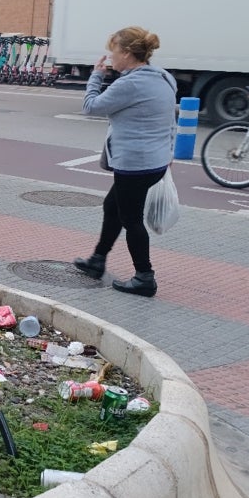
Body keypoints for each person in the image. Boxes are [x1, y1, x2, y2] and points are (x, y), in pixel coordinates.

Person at [73, 26, 176, 297]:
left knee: (131, 219)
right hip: (155, 160)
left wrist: (96, 76)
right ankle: (97, 260)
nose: (111, 57)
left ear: (128, 53)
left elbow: (91, 107)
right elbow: (169, 120)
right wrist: (170, 152)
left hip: (135, 163)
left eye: (114, 51)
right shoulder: (164, 78)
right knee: (112, 206)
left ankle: (145, 277)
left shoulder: (130, 83)